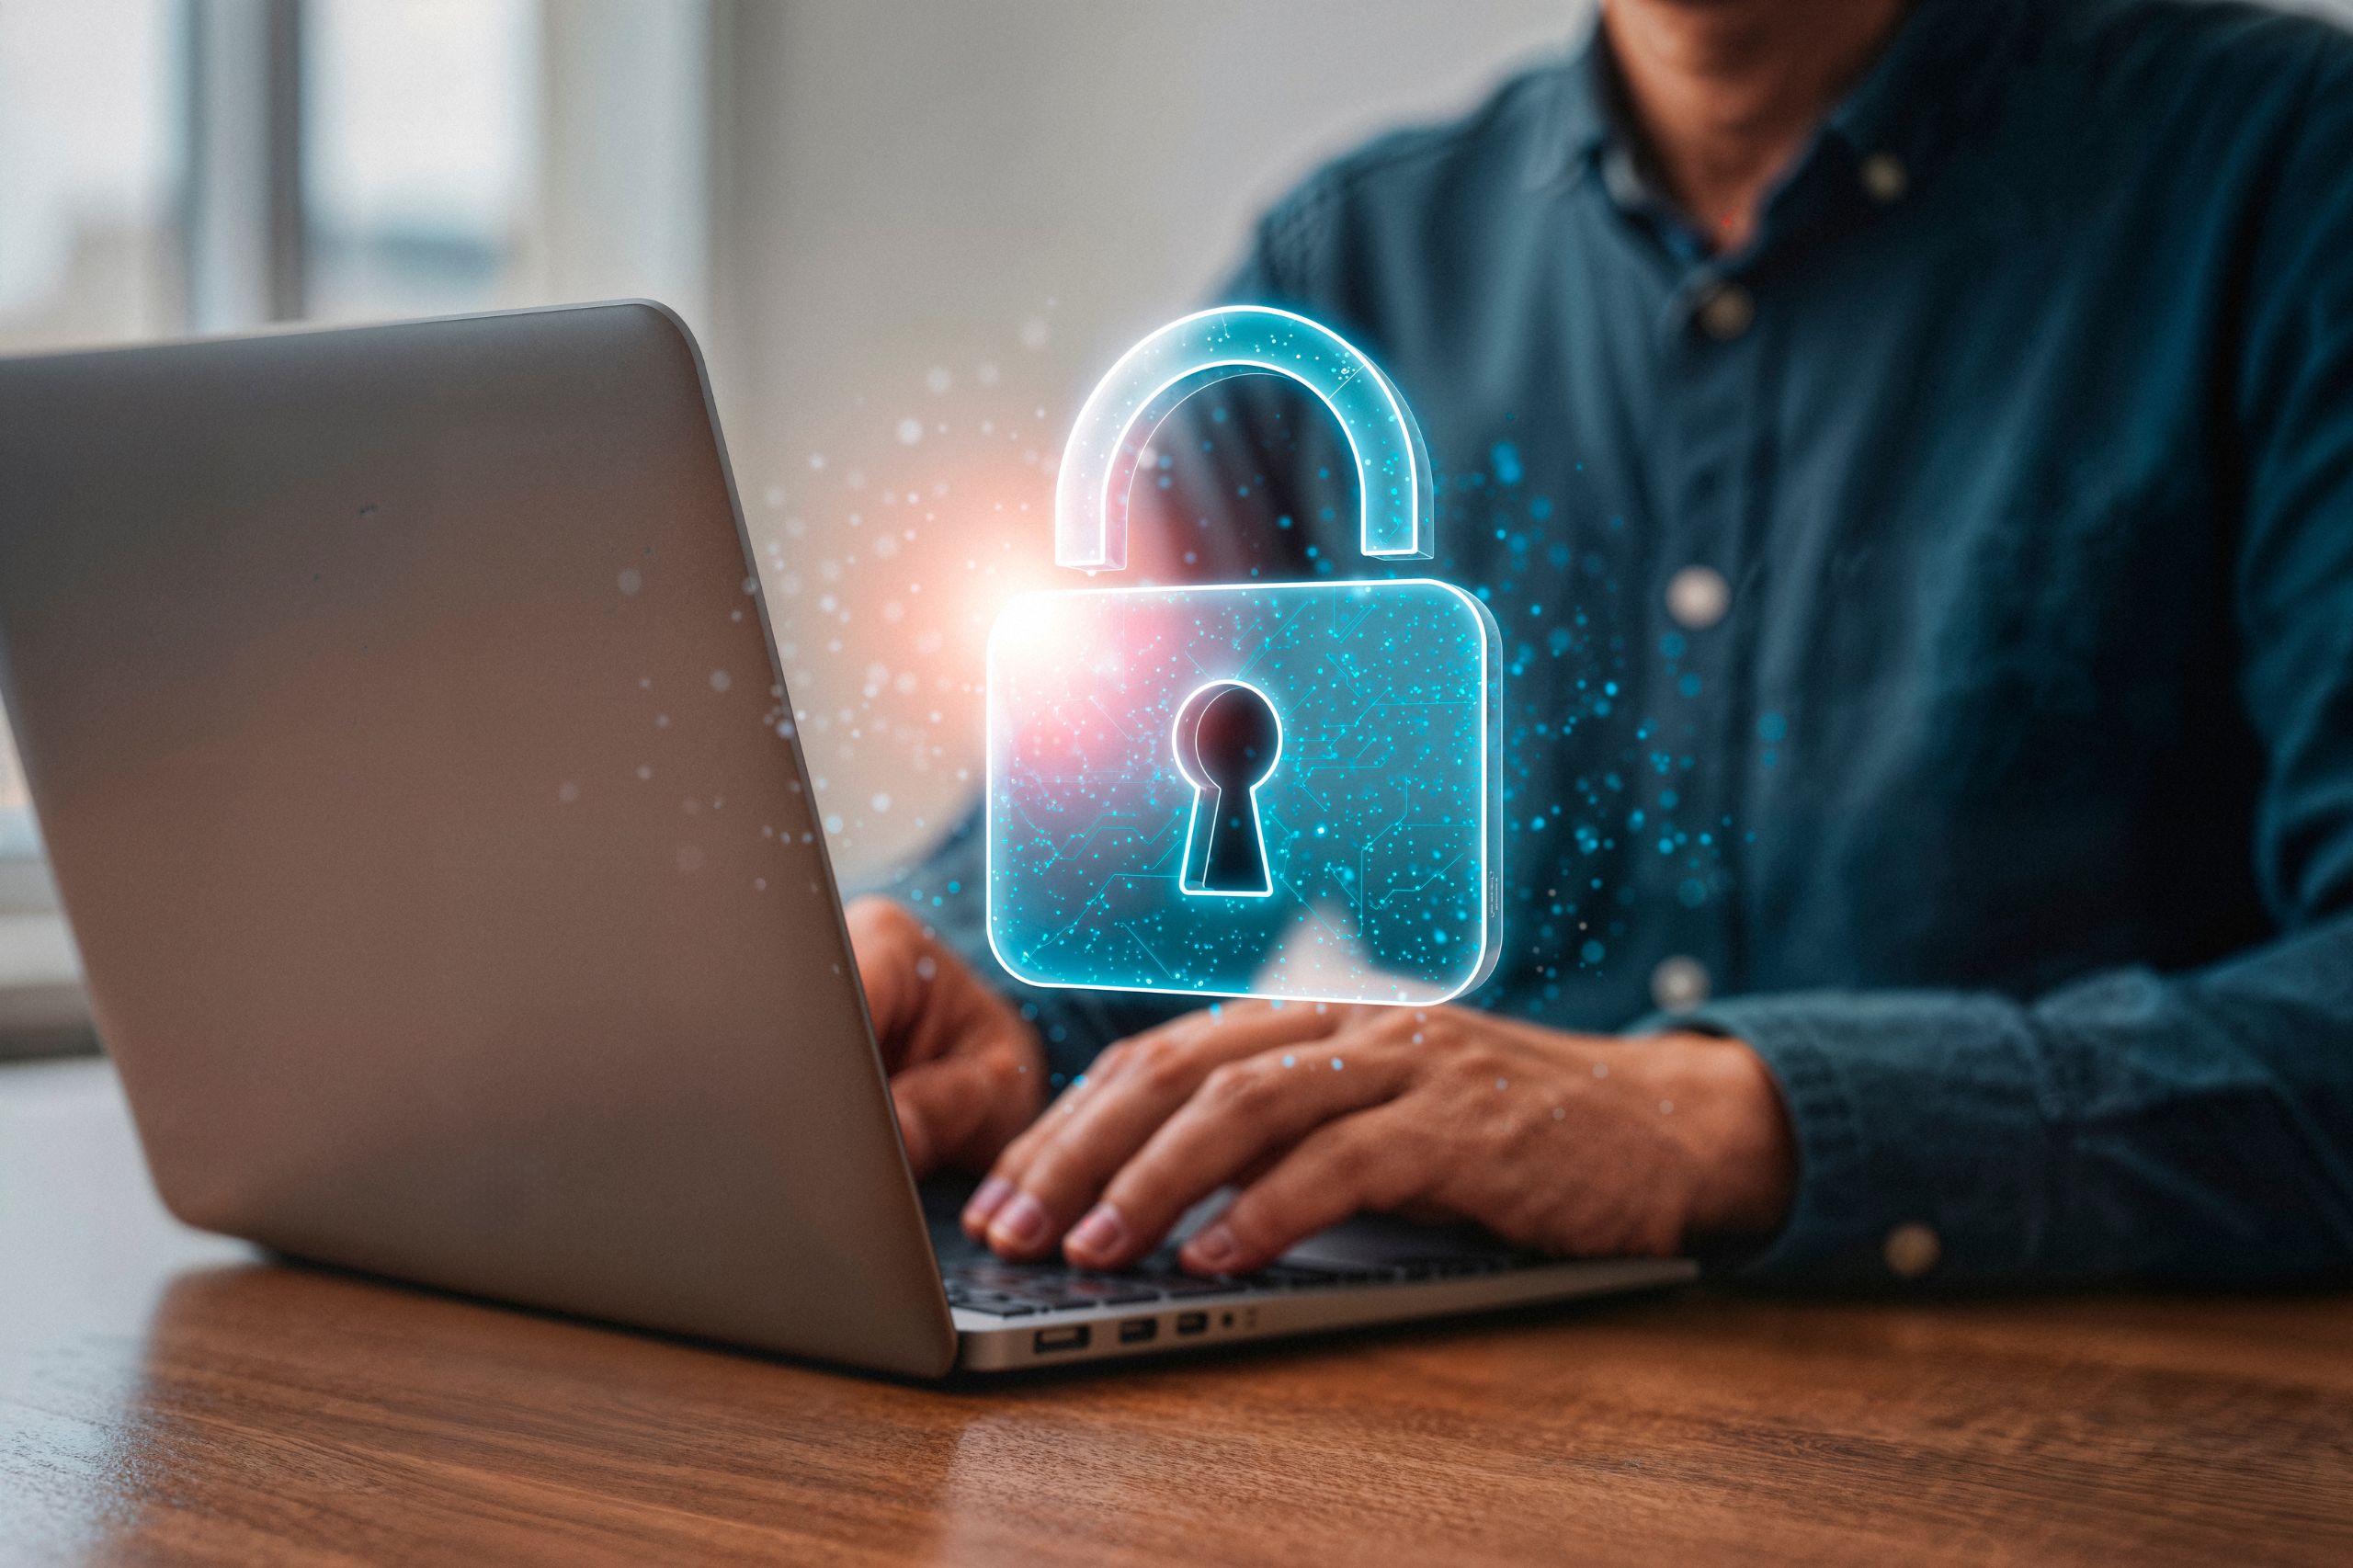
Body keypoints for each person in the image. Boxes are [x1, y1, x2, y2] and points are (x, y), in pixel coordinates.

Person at [848, 0, 2353, 1288]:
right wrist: (981, 994)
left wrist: (1723, 1120)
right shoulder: (1353, 270)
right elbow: (1116, 874)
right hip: (1467, 1420)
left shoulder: (2288, 178)